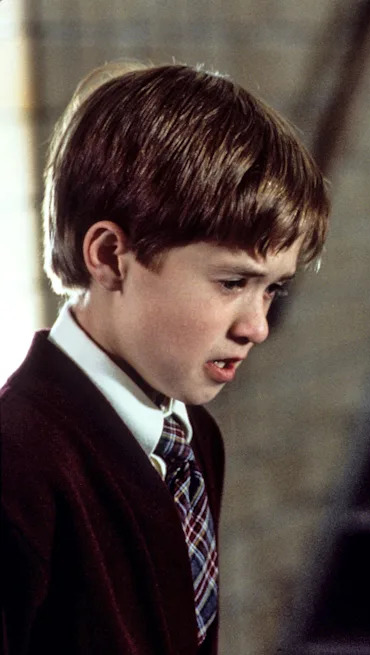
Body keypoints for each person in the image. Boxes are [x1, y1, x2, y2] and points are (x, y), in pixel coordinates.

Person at [1, 62, 329, 655]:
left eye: (272, 290)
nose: (256, 327)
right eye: (232, 283)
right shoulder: (18, 465)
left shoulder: (194, 439)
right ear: (109, 256)